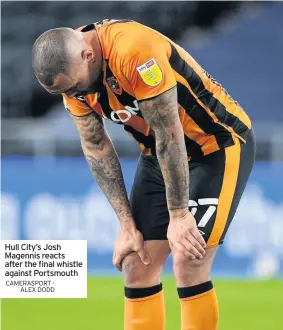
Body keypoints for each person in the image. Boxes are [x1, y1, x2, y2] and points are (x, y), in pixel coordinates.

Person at [32, 19, 256, 330]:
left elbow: (170, 133)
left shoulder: (133, 50)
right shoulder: (73, 78)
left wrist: (178, 216)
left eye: (74, 86)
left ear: (88, 55)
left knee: (188, 259)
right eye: (65, 91)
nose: (74, 95)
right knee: (136, 263)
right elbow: (96, 146)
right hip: (158, 152)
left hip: (215, 145)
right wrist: (126, 224)